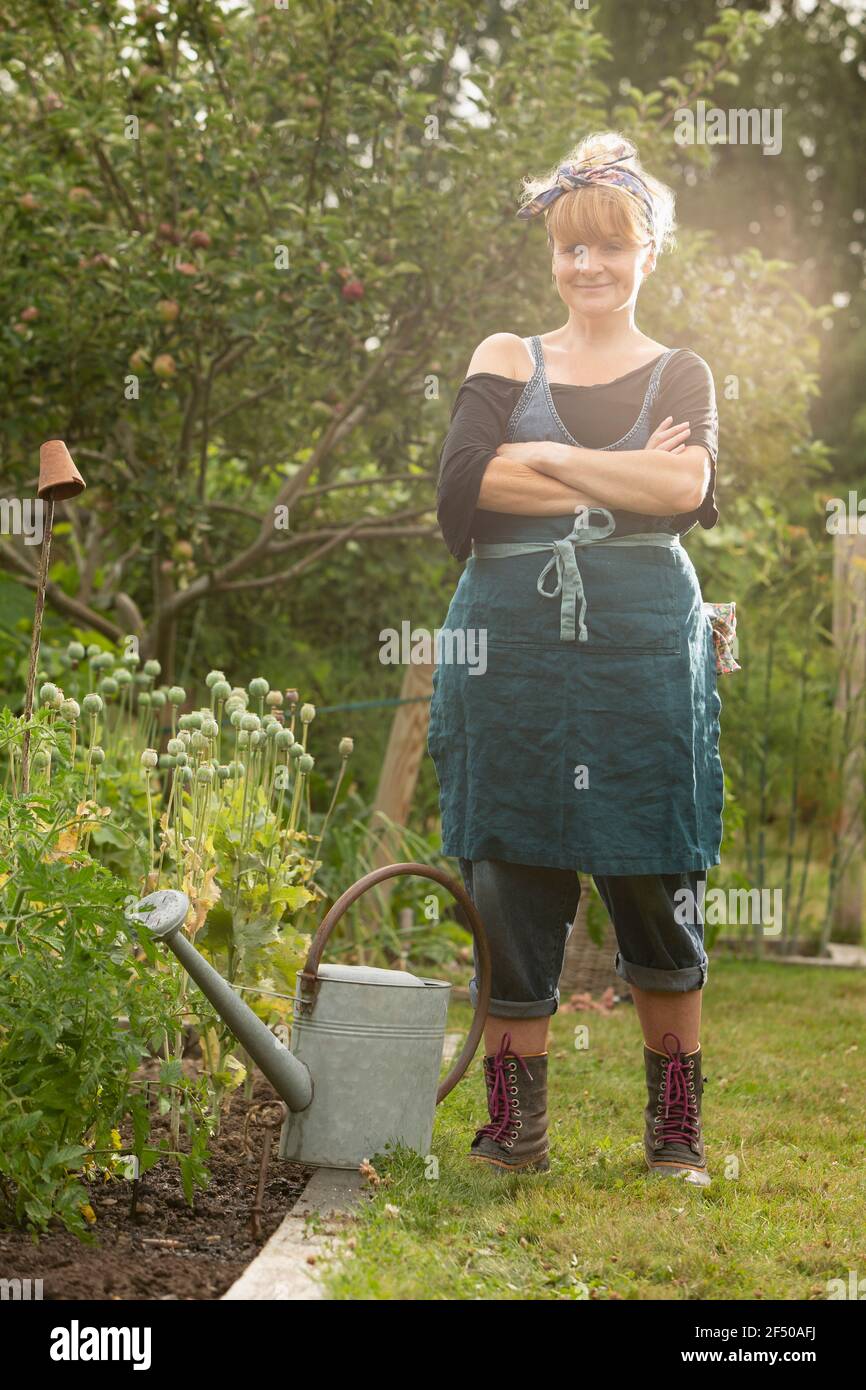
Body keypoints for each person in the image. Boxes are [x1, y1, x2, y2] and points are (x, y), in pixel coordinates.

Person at [428, 131, 724, 1186]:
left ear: (648, 252)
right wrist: (607, 474)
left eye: (608, 246)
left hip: (641, 655)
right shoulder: (505, 355)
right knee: (508, 871)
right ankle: (515, 1129)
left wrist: (543, 456)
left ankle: (675, 1134)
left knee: (654, 871)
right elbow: (460, 490)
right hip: (508, 655)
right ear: (551, 255)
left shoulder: (681, 369)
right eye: (568, 248)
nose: (586, 267)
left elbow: (685, 492)